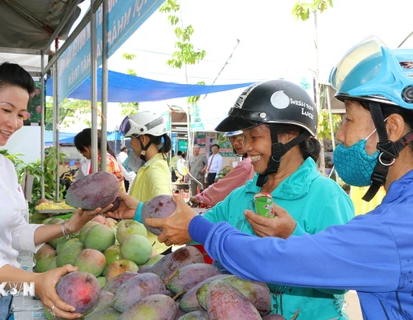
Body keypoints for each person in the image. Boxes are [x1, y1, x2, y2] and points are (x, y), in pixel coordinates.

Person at [143, 37, 413, 319]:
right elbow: (322, 261)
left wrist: (201, 229)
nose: (341, 135)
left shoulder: (396, 227)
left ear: (391, 128)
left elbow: (278, 261)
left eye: (348, 120)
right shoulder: (397, 213)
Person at [112, 79, 356, 319]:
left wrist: (291, 237)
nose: (246, 147)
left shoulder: (326, 198)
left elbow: (342, 277)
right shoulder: (242, 197)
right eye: (245, 137)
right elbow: (190, 227)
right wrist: (140, 211)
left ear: (289, 136)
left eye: (254, 136)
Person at [0, 63, 111, 320]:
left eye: (21, 115)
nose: (14, 123)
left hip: (2, 296)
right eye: (6, 110)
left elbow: (14, 231)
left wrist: (69, 227)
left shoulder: (2, 165)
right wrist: (34, 280)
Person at [118, 111, 173, 254]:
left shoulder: (156, 169)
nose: (130, 144)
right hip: (142, 244)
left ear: (142, 139)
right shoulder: (150, 165)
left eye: (131, 139)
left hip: (153, 249)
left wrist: (138, 212)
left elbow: (165, 210)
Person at [190, 131, 254, 207]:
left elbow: (225, 187)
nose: (235, 143)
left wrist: (200, 197)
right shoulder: (210, 157)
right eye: (231, 139)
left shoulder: (247, 164)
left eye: (240, 138)